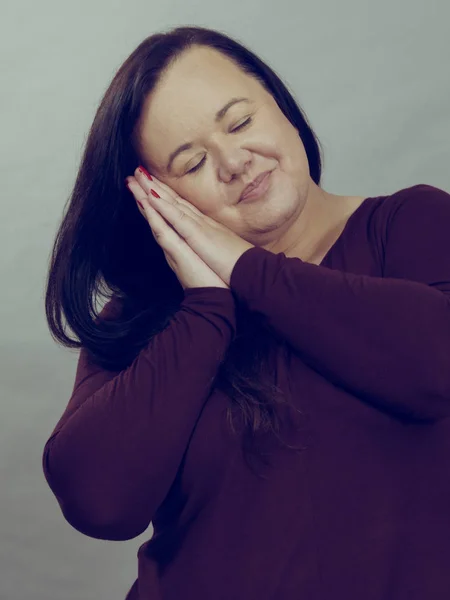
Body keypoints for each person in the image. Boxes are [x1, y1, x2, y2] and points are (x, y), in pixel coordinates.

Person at [42, 25, 450, 600]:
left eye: (240, 122)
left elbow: (435, 365)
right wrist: (207, 306)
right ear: (159, 197)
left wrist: (245, 267)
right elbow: (99, 503)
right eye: (191, 162)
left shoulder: (412, 225)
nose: (234, 161)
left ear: (279, 106)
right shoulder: (144, 318)